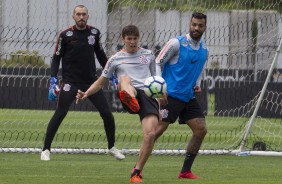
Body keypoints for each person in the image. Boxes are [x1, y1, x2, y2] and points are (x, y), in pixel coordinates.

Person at [40, 5, 124, 161]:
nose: (81, 17)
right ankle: (45, 149)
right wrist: (53, 79)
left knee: (106, 113)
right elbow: (56, 58)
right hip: (70, 82)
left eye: (83, 14)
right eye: (78, 14)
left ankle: (111, 147)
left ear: (88, 16)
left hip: (91, 82)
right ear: (73, 16)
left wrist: (110, 73)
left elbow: (100, 54)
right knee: (60, 113)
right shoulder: (65, 35)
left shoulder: (94, 33)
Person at [76, 25, 158, 183]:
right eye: (129, 39)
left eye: (135, 39)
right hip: (128, 90)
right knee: (124, 79)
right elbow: (101, 82)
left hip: (147, 95)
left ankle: (136, 172)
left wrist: (161, 98)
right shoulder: (115, 59)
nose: (132, 42)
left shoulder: (149, 55)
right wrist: (86, 93)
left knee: (150, 135)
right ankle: (130, 98)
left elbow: (155, 80)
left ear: (138, 38)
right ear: (123, 39)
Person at [155, 12, 208, 179]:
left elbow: (198, 70)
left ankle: (185, 171)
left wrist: (197, 84)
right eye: (194, 24)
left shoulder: (205, 50)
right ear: (189, 24)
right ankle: (137, 168)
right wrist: (159, 88)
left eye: (200, 25)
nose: (196, 28)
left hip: (188, 96)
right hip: (169, 95)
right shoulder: (176, 43)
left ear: (205, 27)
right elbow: (158, 62)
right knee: (157, 131)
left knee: (200, 130)